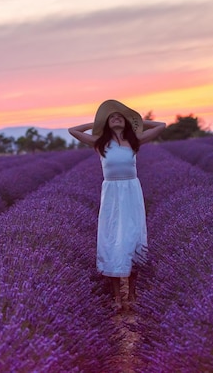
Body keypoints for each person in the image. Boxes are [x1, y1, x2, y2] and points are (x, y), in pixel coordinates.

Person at [68, 99, 166, 311]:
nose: (116, 119)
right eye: (112, 117)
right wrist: (96, 124)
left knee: (133, 238)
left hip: (131, 192)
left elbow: (161, 126)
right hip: (112, 193)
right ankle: (116, 297)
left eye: (120, 117)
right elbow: (72, 130)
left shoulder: (134, 141)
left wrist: (137, 122)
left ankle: (132, 294)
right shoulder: (99, 143)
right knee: (112, 240)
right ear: (106, 123)